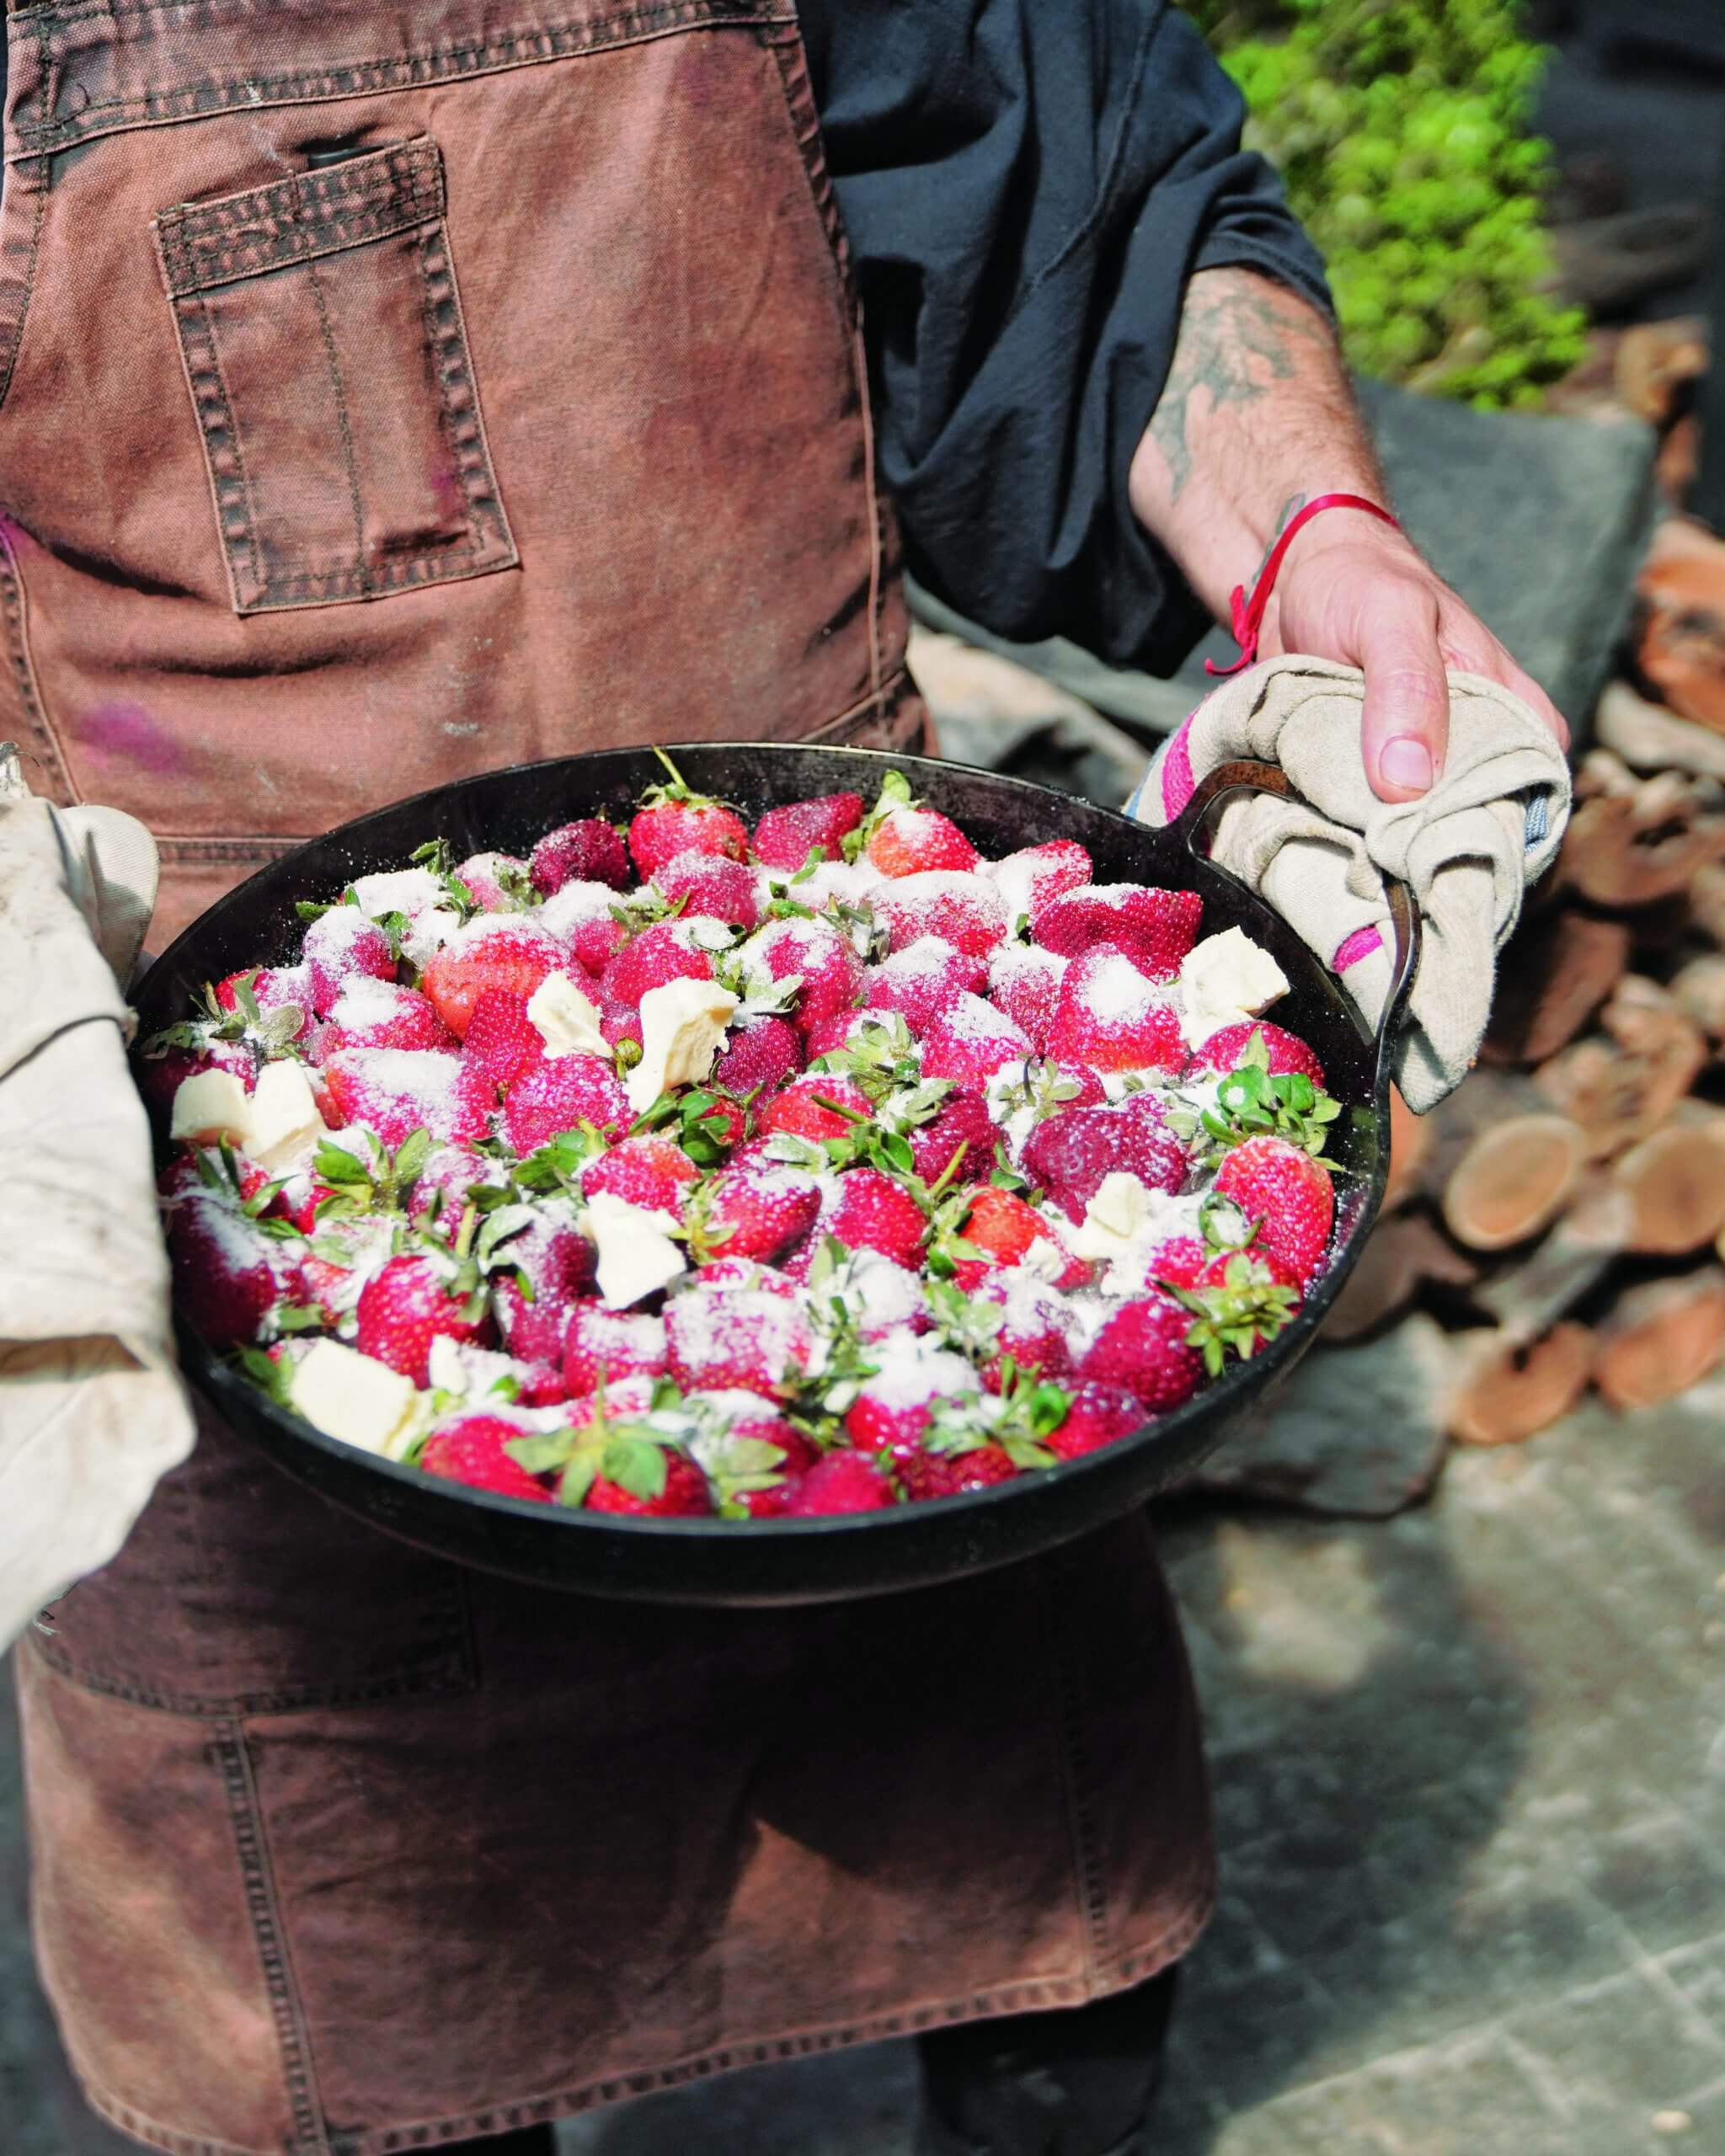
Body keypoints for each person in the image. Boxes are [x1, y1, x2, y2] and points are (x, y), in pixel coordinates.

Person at [3, 4, 1565, 2154]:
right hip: (212, 1103)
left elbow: (1085, 216)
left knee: (1030, 1953)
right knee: (372, 2021)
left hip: (878, 980)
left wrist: (1314, 542)